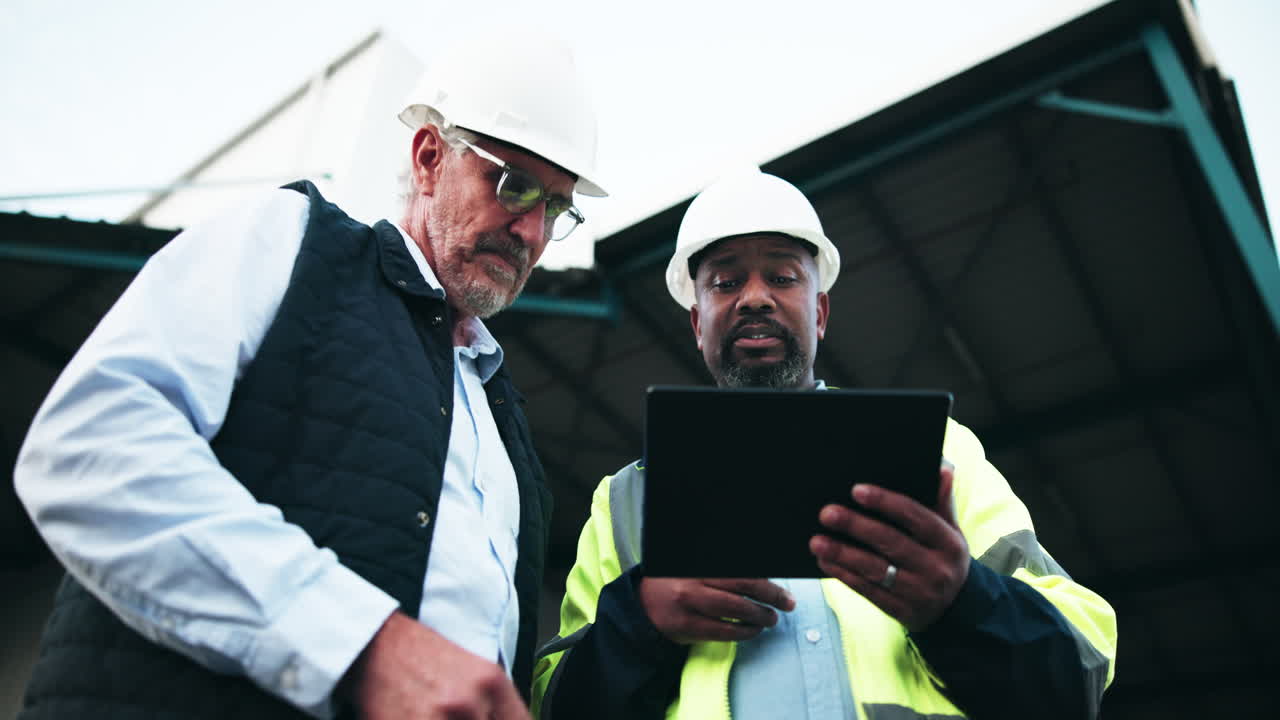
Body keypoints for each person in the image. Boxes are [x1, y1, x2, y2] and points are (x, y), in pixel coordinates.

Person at [13, 31, 605, 720]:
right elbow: (88, 447)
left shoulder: (507, 431)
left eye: (555, 207)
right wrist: (364, 646)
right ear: (428, 157)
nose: (532, 232)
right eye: (514, 185)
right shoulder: (293, 243)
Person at [531, 169, 1118, 719]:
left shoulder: (939, 451)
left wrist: (962, 602)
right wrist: (641, 622)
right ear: (696, 324)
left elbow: (1080, 668)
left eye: (783, 277)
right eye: (725, 283)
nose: (754, 298)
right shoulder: (624, 501)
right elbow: (554, 704)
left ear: (819, 312)